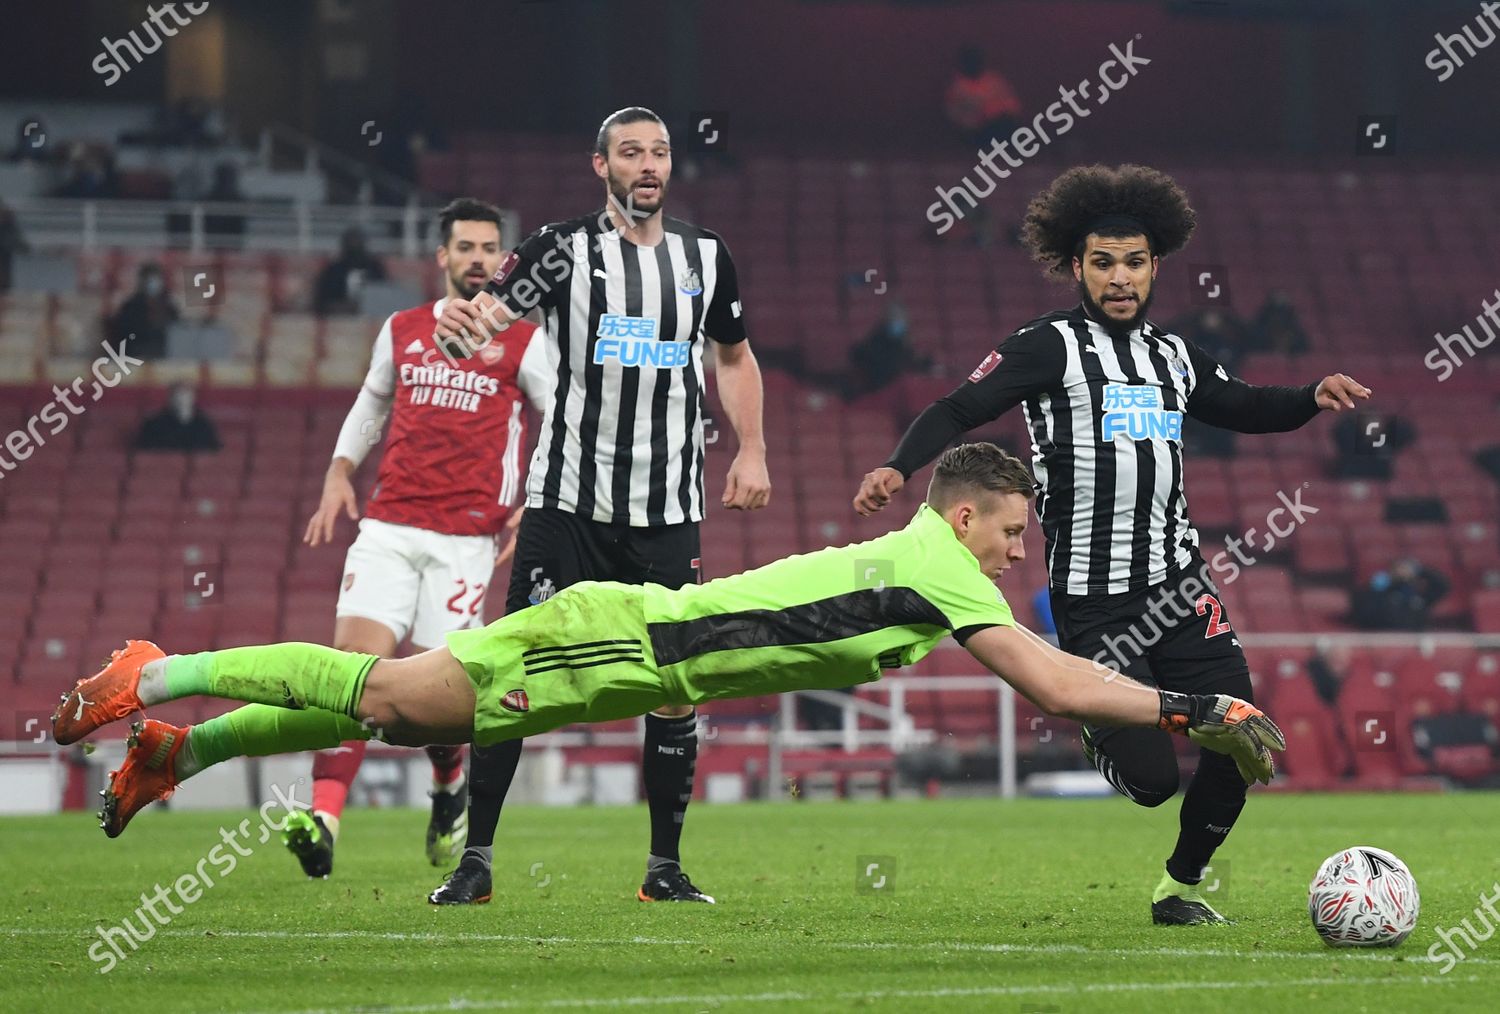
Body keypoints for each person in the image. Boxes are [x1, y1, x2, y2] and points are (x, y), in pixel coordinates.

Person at [55, 443, 1286, 845]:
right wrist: (1193, 709)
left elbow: (1056, 673)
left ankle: (183, 752)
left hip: (634, 665)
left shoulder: (938, 562)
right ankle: (153, 673)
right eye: (1014, 532)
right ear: (966, 515)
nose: (1021, 553)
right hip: (622, 642)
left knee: (391, 715)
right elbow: (1051, 676)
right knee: (389, 689)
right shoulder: (938, 560)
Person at [853, 164, 1369, 925]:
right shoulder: (1047, 347)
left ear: (1156, 264)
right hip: (1098, 602)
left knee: (1244, 740)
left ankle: (1178, 890)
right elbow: (960, 406)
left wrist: (1309, 397)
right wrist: (900, 465)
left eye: (1134, 262)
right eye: (1103, 263)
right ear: (1076, 266)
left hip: (1182, 588)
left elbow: (1243, 405)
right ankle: (1102, 726)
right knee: (1155, 780)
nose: (1120, 278)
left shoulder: (1175, 355)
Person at [425, 106, 772, 906]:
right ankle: (475, 859)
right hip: (568, 502)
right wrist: (455, 329)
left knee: (674, 679)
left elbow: (735, 355)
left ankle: (665, 868)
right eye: (630, 153)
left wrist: (751, 448)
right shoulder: (561, 250)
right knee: (513, 669)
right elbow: (486, 323)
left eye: (658, 152)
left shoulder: (705, 256)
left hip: (667, 507)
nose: (647, 165)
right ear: (601, 166)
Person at [283, 198, 545, 880]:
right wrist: (339, 473)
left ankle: (447, 786)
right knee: (350, 675)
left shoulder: (523, 340)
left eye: (491, 248)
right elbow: (372, 401)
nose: (479, 259)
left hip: (466, 540)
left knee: (437, 705)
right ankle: (324, 819)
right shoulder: (403, 329)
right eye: (466, 247)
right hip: (390, 526)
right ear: (443, 257)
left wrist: (536, 501)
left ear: (504, 259)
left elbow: (565, 416)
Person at [944, 47, 1023, 151]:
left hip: (999, 125)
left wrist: (995, 112)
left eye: (975, 61)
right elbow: (951, 113)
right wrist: (973, 120)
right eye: (969, 61)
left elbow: (1012, 105)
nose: (973, 64)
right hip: (973, 131)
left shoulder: (994, 81)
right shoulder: (958, 86)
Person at [1351, 558, 1450, 631]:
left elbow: (1442, 586)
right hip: (1387, 640)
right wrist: (1381, 585)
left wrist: (1419, 570)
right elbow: (1364, 612)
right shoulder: (1378, 592)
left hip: (1415, 641)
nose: (1402, 572)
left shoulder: (1418, 596)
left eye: (1405, 569)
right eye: (1398, 569)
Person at [107, 262, 179, 360]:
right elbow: (121, 336)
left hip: (163, 357)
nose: (153, 283)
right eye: (149, 280)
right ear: (142, 282)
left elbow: (177, 331)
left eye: (156, 279)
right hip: (135, 357)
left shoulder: (168, 306)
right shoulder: (131, 306)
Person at [314, 227, 388, 316]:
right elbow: (321, 301)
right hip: (339, 320)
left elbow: (385, 296)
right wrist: (343, 307)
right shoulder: (333, 271)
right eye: (351, 242)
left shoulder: (375, 268)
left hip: (372, 319)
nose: (354, 246)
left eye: (358, 242)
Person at [132, 384, 221, 452]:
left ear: (193, 398)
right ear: (169, 398)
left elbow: (212, 451)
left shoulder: (204, 424)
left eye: (186, 395)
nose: (181, 399)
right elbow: (145, 451)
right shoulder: (153, 424)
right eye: (177, 395)